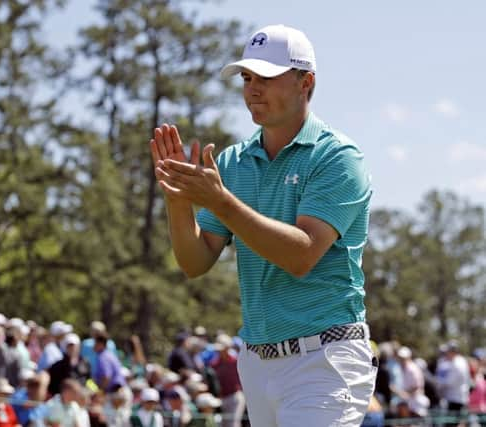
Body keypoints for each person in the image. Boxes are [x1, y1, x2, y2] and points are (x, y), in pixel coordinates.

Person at [150, 24, 375, 426]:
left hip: (324, 360)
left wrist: (220, 200)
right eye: (247, 78)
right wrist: (178, 201)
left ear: (306, 82)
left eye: (266, 78)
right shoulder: (235, 162)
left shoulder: (338, 157)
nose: (252, 89)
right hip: (256, 363)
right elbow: (195, 262)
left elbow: (302, 254)